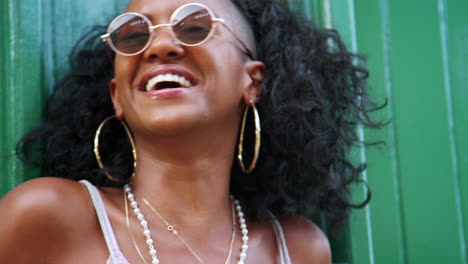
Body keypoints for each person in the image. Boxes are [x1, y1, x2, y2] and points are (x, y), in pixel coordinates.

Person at [0, 0, 380, 263]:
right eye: (133, 35)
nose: (160, 45)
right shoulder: (47, 217)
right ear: (116, 95)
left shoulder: (299, 249)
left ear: (253, 82)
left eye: (195, 26)